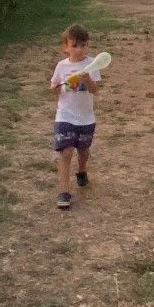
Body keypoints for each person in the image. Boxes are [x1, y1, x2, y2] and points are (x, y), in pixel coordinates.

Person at [48, 23, 102, 210]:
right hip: (65, 115)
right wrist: (56, 88)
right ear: (66, 47)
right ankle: (64, 191)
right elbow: (54, 89)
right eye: (74, 45)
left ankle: (81, 170)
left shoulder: (92, 64)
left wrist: (88, 81)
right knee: (66, 151)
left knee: (83, 150)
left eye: (83, 45)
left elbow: (95, 90)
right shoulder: (61, 67)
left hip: (86, 118)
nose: (79, 49)